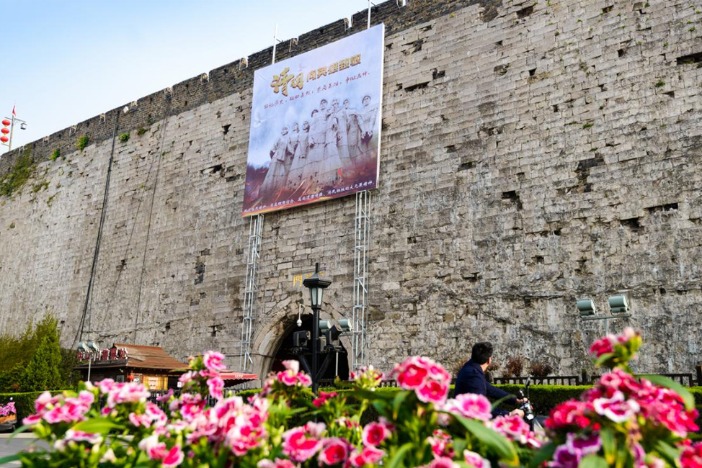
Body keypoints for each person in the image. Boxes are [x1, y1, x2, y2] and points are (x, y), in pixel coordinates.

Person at [454, 341, 525, 418]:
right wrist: (508, 414)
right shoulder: (474, 375)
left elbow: (490, 389)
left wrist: (514, 399)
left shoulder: (471, 368)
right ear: (489, 360)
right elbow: (478, 408)